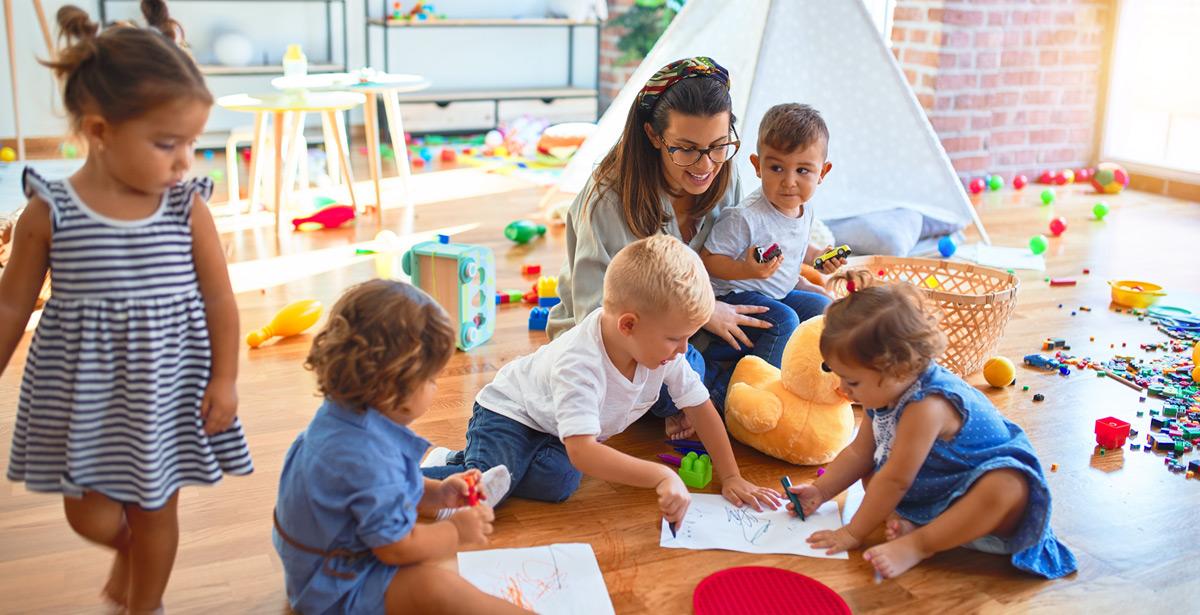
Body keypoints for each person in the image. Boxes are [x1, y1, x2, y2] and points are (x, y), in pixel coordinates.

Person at [0, 3, 253, 613]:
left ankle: (147, 605)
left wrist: (225, 378)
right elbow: (12, 304)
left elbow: (219, 297)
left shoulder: (184, 206)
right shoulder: (49, 210)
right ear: (99, 130)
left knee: (154, 507)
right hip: (81, 395)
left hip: (164, 391)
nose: (184, 161)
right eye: (168, 144)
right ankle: (128, 550)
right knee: (85, 514)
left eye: (190, 143)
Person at [422, 235, 782, 527]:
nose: (684, 350)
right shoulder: (580, 363)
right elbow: (583, 451)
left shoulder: (660, 349)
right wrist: (660, 475)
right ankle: (404, 482)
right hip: (510, 414)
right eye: (675, 339)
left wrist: (731, 475)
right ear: (628, 325)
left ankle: (470, 460)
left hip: (554, 427)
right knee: (485, 492)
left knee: (559, 482)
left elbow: (700, 407)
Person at [787, 270, 1077, 580]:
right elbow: (858, 453)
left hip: (986, 506)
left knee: (1007, 487)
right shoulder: (884, 392)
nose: (844, 389)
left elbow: (897, 481)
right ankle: (924, 525)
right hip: (938, 487)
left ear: (896, 368)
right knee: (872, 471)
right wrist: (820, 490)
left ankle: (920, 544)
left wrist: (852, 533)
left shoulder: (926, 405)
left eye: (853, 381)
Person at [547, 56, 768, 439]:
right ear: (653, 136)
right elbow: (596, 315)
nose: (705, 165)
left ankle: (717, 401)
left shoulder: (723, 172)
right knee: (682, 368)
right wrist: (702, 316)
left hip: (694, 329)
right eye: (686, 149)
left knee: (802, 313)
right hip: (629, 346)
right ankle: (717, 406)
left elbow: (736, 260)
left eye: (718, 145)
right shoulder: (608, 201)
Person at [273, 280, 526, 614]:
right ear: (395, 386)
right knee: (439, 587)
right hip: (338, 587)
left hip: (322, 565)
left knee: (435, 570)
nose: (436, 387)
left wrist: (438, 494)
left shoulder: (341, 420)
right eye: (432, 380)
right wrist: (455, 531)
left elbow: (373, 493)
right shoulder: (367, 457)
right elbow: (395, 549)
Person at [700, 103, 844, 369]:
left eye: (802, 171)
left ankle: (804, 374)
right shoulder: (745, 216)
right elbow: (708, 259)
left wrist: (819, 258)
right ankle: (754, 386)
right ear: (757, 165)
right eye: (777, 168)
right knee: (785, 321)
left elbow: (798, 247)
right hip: (737, 294)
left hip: (777, 293)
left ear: (822, 172)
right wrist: (746, 269)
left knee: (824, 308)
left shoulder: (804, 208)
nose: (789, 181)